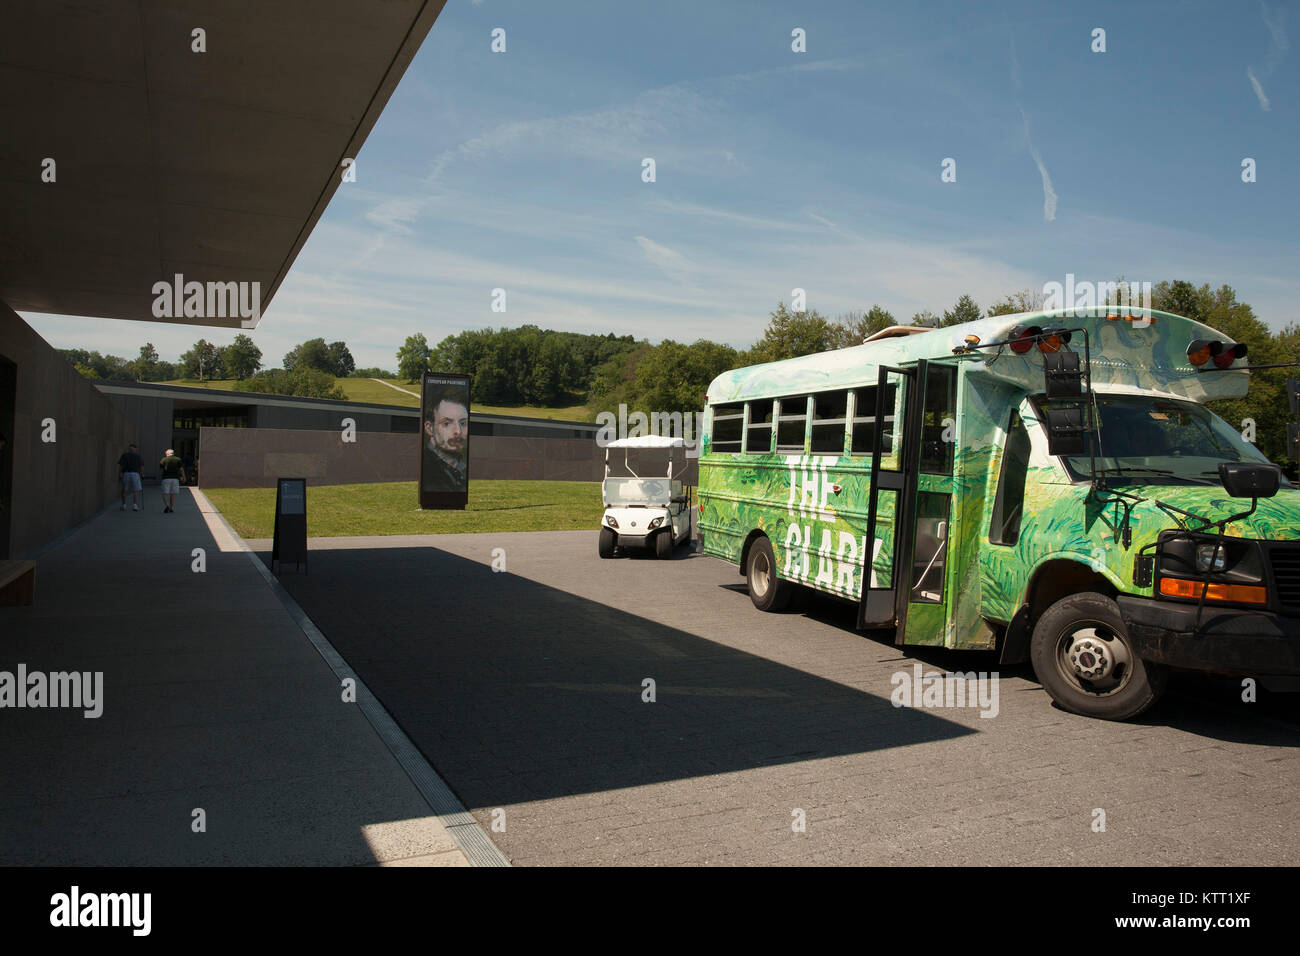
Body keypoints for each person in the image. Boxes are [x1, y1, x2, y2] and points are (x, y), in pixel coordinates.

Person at [422, 393, 468, 491]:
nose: (458, 431)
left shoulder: (460, 464)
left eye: (463, 423)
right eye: (446, 423)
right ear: (429, 428)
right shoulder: (427, 469)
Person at [159, 448, 185, 513]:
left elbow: (161, 469)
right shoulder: (178, 459)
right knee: (173, 494)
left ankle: (167, 505)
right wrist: (184, 477)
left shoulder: (164, 459)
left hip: (166, 478)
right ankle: (171, 508)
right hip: (175, 479)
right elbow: (181, 469)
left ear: (167, 454)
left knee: (165, 493)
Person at [118, 442, 143, 511]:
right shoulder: (138, 456)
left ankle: (124, 505)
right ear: (135, 449)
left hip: (126, 473)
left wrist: (120, 473)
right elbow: (141, 466)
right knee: (135, 490)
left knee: (124, 490)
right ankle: (135, 505)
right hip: (135, 474)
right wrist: (141, 474)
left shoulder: (124, 455)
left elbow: (121, 465)